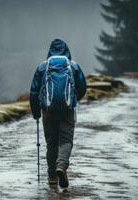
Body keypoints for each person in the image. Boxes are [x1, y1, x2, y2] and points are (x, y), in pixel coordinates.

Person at [29, 38, 87, 188]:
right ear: (67, 50)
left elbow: (34, 92)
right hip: (67, 109)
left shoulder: (43, 67)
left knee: (51, 143)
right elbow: (83, 87)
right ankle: (61, 166)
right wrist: (73, 100)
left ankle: (52, 176)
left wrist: (36, 113)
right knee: (66, 140)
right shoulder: (73, 66)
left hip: (48, 110)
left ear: (50, 52)